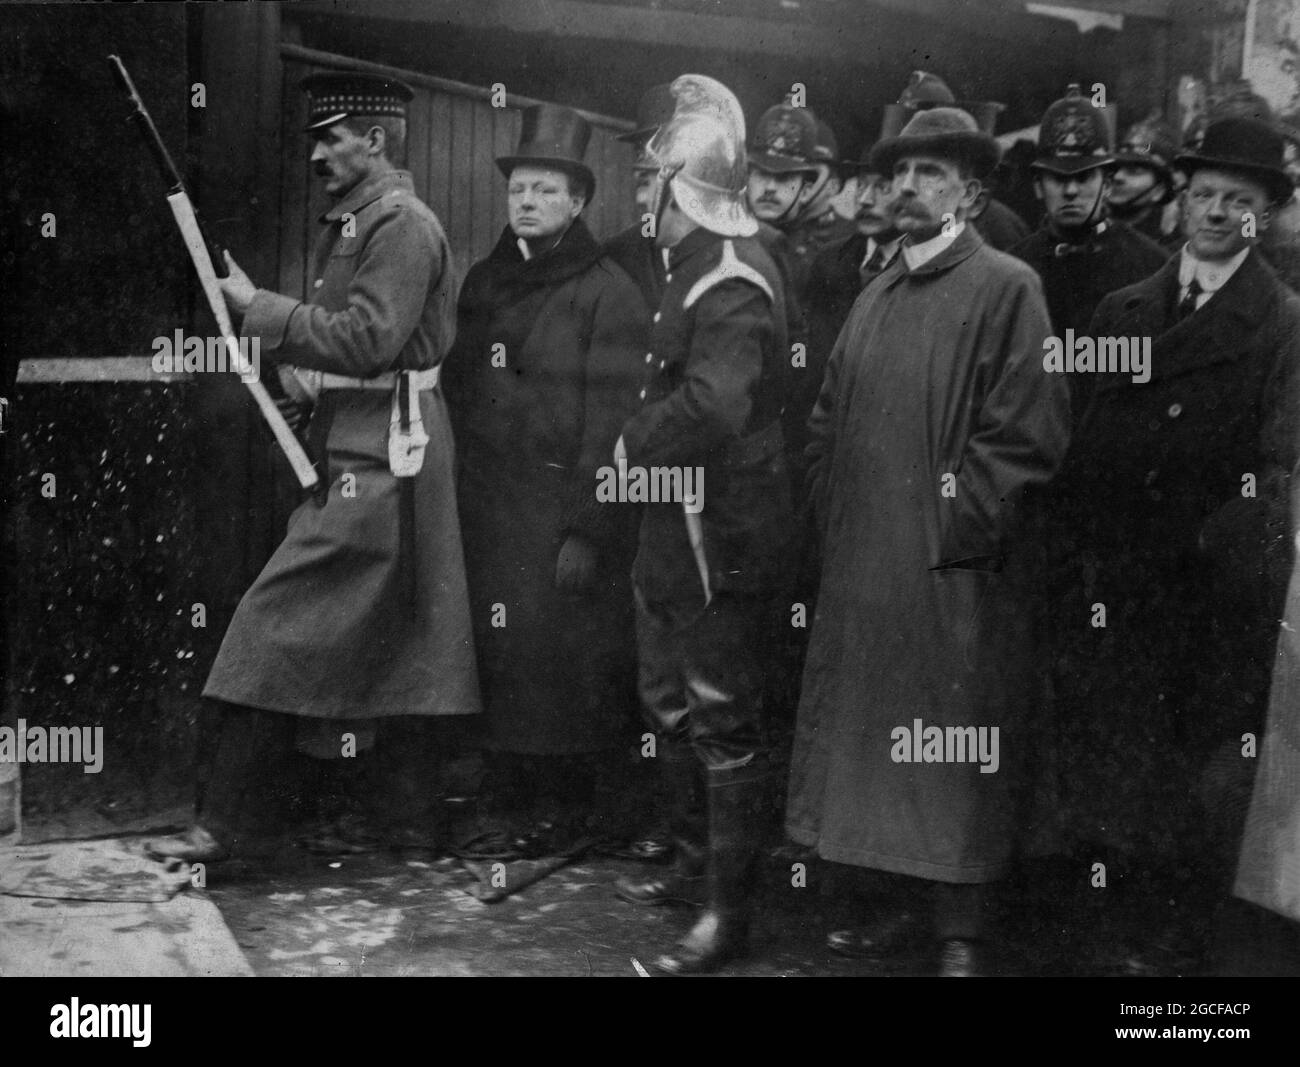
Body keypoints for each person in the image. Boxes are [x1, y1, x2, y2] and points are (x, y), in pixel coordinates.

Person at [147, 72, 480, 862]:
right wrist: (306, 384)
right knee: (398, 637)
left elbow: (368, 340)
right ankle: (405, 826)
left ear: (377, 140)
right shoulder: (363, 220)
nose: (318, 154)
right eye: (314, 139)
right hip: (365, 444)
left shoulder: (399, 224)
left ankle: (224, 829)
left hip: (388, 454)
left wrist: (259, 309)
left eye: (334, 137)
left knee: (278, 618)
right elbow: (359, 348)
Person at [785, 106, 1070, 977]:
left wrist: (954, 531)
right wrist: (839, 515)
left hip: (953, 574)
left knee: (950, 741)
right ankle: (894, 906)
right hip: (864, 567)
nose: (906, 188)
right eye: (898, 174)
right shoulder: (876, 292)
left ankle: (961, 928)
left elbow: (1026, 436)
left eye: (932, 174)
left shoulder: (1007, 286)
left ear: (974, 194)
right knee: (874, 741)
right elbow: (827, 419)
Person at [1051, 116, 1300, 974]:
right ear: (1178, 201)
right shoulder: (1124, 308)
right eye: (1203, 195)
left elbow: (1279, 472)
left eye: (1239, 200)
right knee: (1114, 751)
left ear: (1263, 216)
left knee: (1194, 772)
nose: (1216, 212)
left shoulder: (1281, 324)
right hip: (1117, 578)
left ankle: (1171, 936)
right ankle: (1100, 923)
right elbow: (1082, 441)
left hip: (1206, 593)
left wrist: (1217, 554)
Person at [611, 74, 792, 974]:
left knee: (722, 713)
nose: (644, 201)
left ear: (685, 193)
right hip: (675, 520)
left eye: (654, 186)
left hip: (718, 527)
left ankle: (729, 916)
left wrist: (632, 440)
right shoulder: (690, 266)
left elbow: (716, 405)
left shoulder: (729, 274)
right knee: (673, 697)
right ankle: (692, 866)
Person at [440, 104, 648, 854]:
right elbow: (460, 387)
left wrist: (588, 530)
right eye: (518, 190)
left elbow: (613, 425)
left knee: (559, 668)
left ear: (580, 202)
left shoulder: (608, 291)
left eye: (545, 191)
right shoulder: (486, 278)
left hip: (559, 514)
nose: (526, 203)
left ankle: (560, 811)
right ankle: (509, 800)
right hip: (489, 506)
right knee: (499, 659)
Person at [1008, 85, 1168, 414]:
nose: (1070, 190)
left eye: (1084, 177)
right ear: (1038, 185)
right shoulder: (1011, 268)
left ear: (1107, 183)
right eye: (1056, 178)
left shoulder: (1155, 266)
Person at [603, 83, 675, 310]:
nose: (643, 165)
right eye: (639, 151)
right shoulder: (618, 253)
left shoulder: (732, 248)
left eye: (659, 148)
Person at [1107, 115, 1182, 251]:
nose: (1117, 177)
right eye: (1116, 168)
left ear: (1159, 190)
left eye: (1134, 171)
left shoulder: (1171, 244)